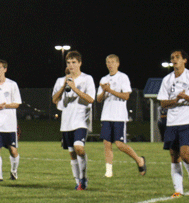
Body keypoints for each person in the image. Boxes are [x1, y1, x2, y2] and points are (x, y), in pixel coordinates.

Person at [156, 49, 189, 198]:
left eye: (177, 57)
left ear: (185, 60)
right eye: (172, 58)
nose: (174, 59)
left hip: (188, 121)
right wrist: (175, 100)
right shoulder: (167, 80)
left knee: (185, 154)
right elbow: (163, 102)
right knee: (174, 155)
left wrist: (186, 97)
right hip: (172, 122)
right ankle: (178, 191)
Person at [52, 51, 96, 190]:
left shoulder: (87, 79)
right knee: (72, 153)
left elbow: (90, 99)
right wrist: (63, 86)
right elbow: (54, 99)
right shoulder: (61, 80)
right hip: (66, 122)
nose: (71, 65)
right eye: (69, 63)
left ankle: (83, 178)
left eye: (74, 62)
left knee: (79, 148)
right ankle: (78, 182)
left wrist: (74, 88)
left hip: (81, 121)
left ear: (80, 63)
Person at [97, 54, 146, 178]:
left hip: (119, 116)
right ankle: (108, 171)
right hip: (106, 116)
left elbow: (126, 96)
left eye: (113, 62)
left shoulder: (123, 77)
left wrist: (110, 90)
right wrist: (103, 90)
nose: (110, 64)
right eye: (108, 62)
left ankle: (139, 160)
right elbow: (98, 99)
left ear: (117, 64)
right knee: (107, 143)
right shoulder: (103, 79)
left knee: (119, 144)